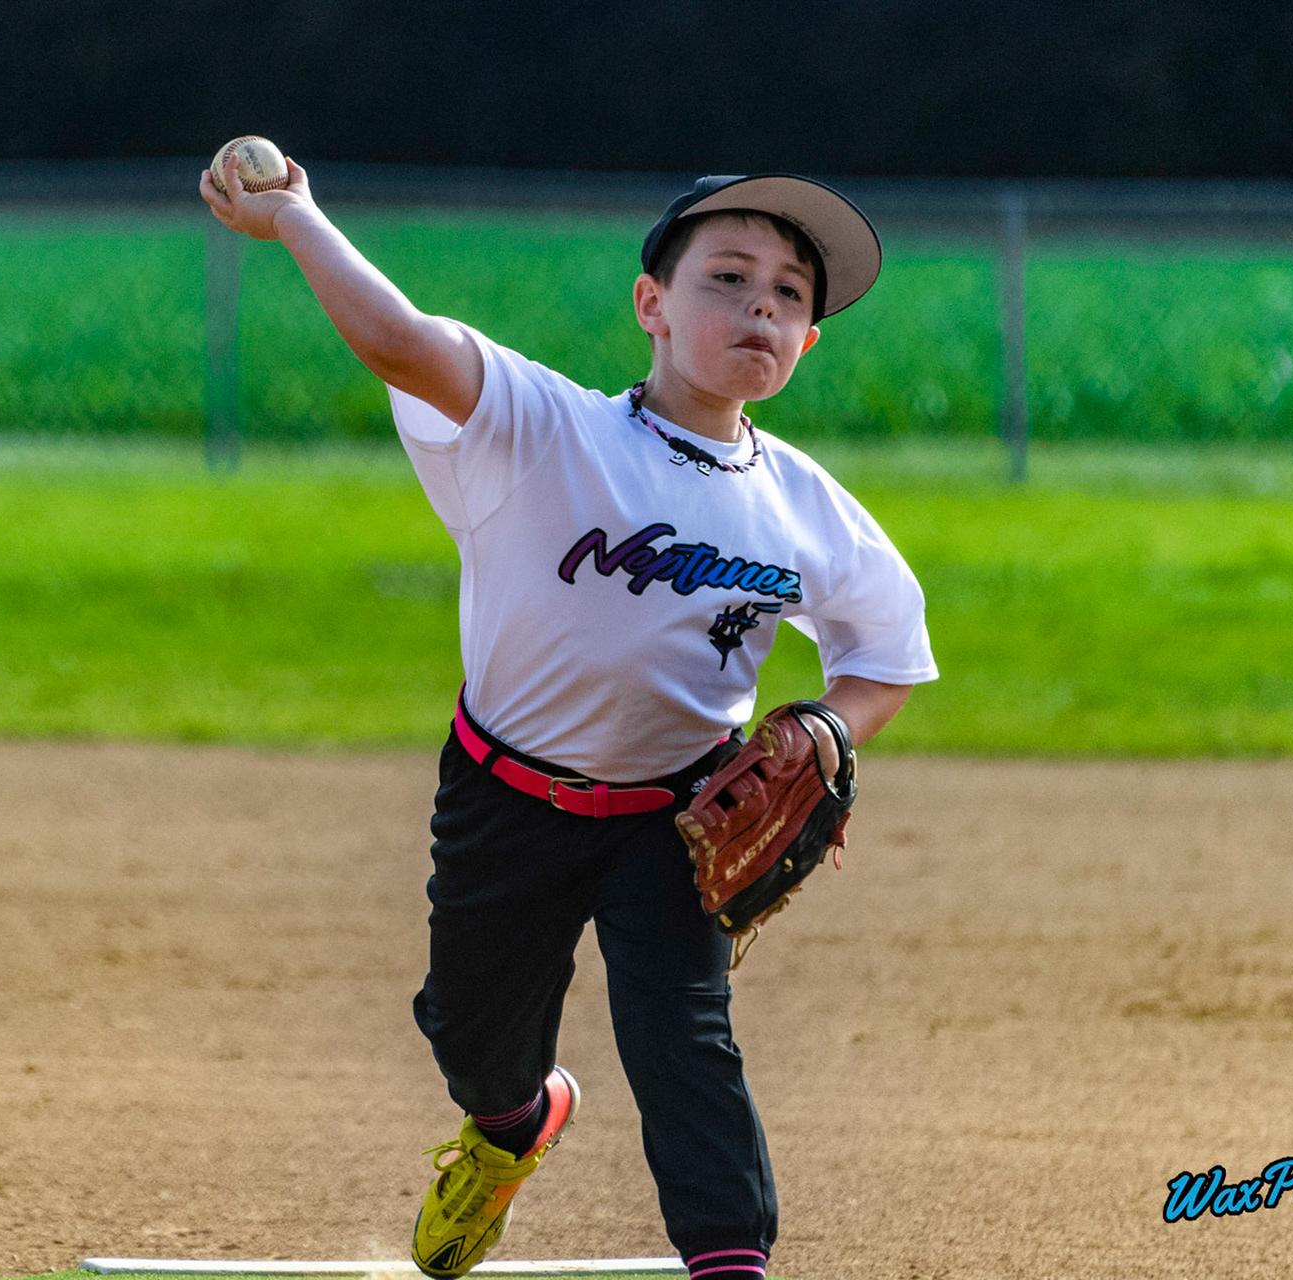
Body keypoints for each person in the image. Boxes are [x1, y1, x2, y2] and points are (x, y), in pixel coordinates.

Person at [201, 160, 938, 1280]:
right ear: (652, 303)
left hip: (677, 819)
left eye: (791, 296)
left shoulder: (805, 507)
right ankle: (512, 1125)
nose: (761, 308)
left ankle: (730, 1261)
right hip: (507, 800)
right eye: (727, 277)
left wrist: (829, 730)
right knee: (474, 1035)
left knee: (686, 1045)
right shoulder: (546, 428)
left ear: (809, 343)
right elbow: (400, 341)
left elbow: (884, 656)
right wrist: (297, 217)